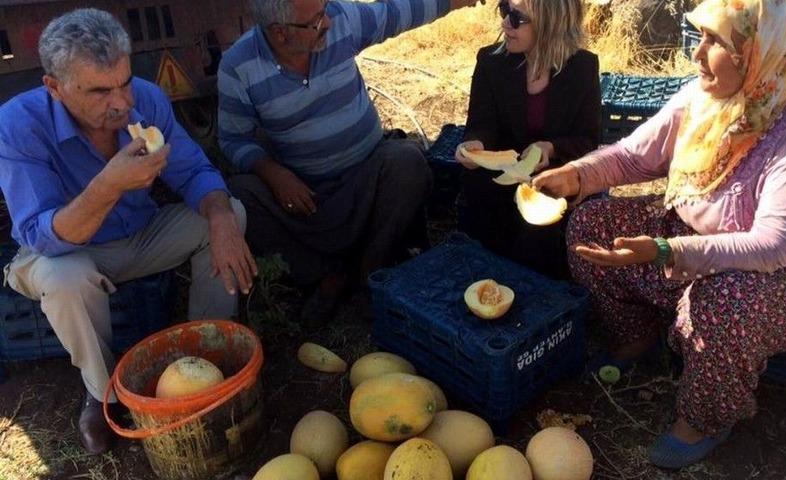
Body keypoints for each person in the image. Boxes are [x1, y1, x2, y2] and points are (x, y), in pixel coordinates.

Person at [533, 0, 786, 469]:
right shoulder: (705, 96)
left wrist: (666, 249)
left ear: (758, 52)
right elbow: (632, 157)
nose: (697, 53)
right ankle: (638, 337)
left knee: (722, 301)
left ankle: (705, 418)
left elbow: (777, 244)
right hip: (697, 237)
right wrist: (576, 175)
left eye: (716, 41)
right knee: (590, 225)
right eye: (700, 37)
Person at [0, 9, 256, 455]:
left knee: (229, 213)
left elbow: (195, 172)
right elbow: (41, 235)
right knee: (66, 281)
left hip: (140, 237)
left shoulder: (146, 98)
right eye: (99, 90)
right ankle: (103, 396)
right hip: (63, 254)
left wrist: (219, 217)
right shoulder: (18, 125)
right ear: (54, 88)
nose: (120, 103)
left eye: (123, 82)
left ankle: (200, 359)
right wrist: (108, 185)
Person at [219, 0, 479, 325]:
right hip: (306, 200)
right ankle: (326, 276)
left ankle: (370, 269)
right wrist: (272, 173)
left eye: (325, 9)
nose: (328, 22)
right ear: (280, 33)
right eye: (316, 21)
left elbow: (398, 11)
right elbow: (233, 140)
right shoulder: (238, 66)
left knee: (408, 161)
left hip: (368, 179)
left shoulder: (341, 19)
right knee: (241, 194)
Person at [454, 0, 600, 279]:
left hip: (554, 177)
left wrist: (552, 147)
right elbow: (481, 125)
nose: (505, 23)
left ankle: (539, 290)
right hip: (501, 178)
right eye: (503, 9)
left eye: (517, 17)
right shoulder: (491, 62)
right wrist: (475, 146)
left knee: (540, 231)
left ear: (550, 22)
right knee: (477, 191)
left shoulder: (582, 68)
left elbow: (587, 140)